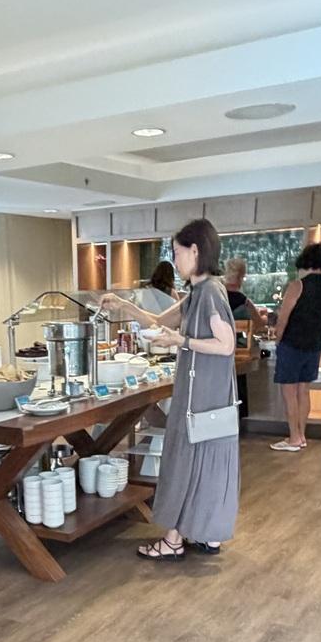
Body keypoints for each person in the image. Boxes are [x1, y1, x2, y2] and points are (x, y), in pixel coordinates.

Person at [101, 219, 238, 559]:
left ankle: (173, 541)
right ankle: (205, 534)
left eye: (177, 252)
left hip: (201, 396)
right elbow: (160, 322)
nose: (175, 261)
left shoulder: (209, 293)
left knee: (185, 460)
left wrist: (182, 341)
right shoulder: (201, 292)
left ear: (195, 251)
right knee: (203, 463)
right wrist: (125, 306)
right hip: (206, 394)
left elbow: (226, 344)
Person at [270, 241, 321, 451]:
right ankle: (301, 435)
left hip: (292, 344)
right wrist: (318, 318)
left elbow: (283, 319)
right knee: (304, 391)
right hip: (314, 345)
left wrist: (277, 339)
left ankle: (293, 437)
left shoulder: (297, 286)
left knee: (289, 393)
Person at [224, 257, 267, 336]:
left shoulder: (216, 295)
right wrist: (265, 317)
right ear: (242, 277)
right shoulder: (244, 302)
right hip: (236, 341)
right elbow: (259, 325)